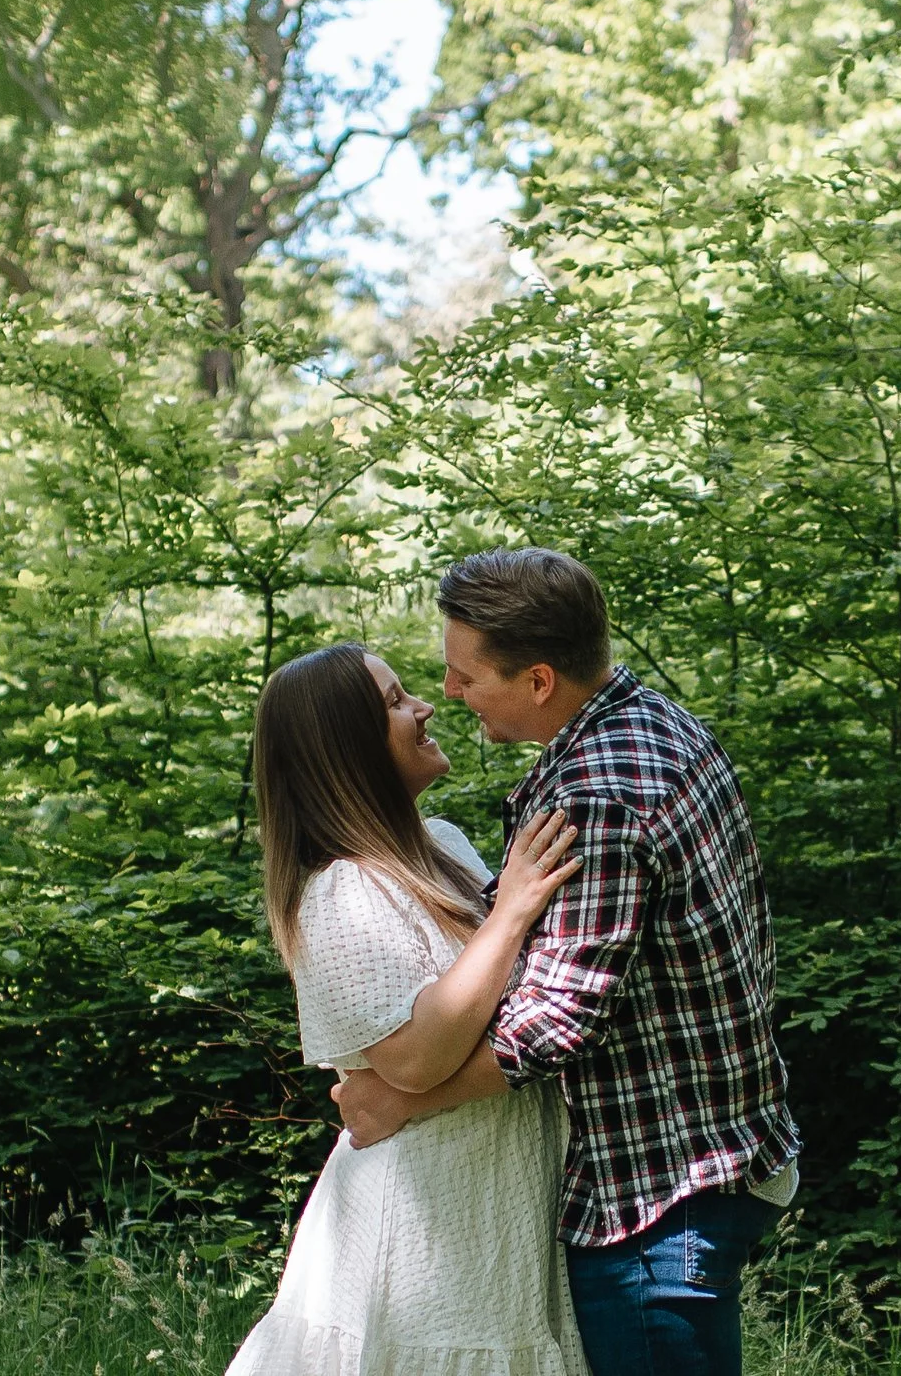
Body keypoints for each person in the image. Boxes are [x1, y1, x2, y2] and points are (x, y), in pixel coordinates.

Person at [334, 548, 799, 1376]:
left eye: (463, 675)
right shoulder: (652, 721)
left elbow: (553, 1020)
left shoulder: (597, 790)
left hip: (659, 1188)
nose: (447, 692)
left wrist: (402, 1099)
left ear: (539, 678)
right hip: (710, 1151)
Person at [227, 641, 591, 1376]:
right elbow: (419, 1054)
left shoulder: (444, 844)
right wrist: (512, 909)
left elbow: (524, 1002)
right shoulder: (339, 893)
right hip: (423, 1227)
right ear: (348, 750)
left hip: (501, 1200)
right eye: (395, 701)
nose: (425, 706)